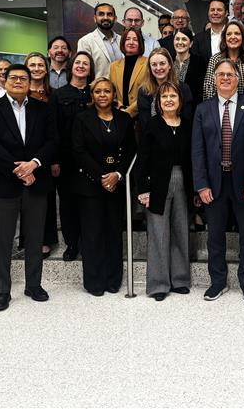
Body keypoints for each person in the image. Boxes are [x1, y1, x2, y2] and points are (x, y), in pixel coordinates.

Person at [0, 64, 58, 312]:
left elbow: (53, 141)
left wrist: (33, 164)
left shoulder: (43, 110)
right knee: (2, 241)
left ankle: (34, 285)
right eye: (13, 78)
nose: (18, 82)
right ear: (4, 81)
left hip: (36, 181)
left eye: (23, 78)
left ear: (30, 82)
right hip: (4, 183)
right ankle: (3, 290)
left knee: (34, 238)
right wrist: (18, 170)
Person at [192, 58, 244, 302]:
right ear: (214, 79)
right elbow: (197, 150)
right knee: (215, 236)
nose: (226, 78)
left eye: (230, 75)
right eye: (221, 75)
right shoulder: (203, 109)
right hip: (214, 182)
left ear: (237, 79)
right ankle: (217, 282)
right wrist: (201, 184)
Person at [72, 77, 136, 295]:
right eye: (98, 91)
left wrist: (117, 175)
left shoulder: (124, 118)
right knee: (92, 234)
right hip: (90, 185)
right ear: (93, 95)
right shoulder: (82, 119)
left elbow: (131, 150)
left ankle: (113, 279)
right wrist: (101, 176)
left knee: (113, 233)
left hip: (117, 185)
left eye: (106, 91)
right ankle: (94, 282)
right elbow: (78, 150)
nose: (102, 95)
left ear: (113, 94)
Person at [136, 82, 194, 301]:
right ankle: (159, 284)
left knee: (180, 230)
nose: (168, 100)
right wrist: (143, 189)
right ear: (158, 103)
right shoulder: (152, 124)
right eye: (164, 97)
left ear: (180, 101)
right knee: (158, 234)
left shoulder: (187, 124)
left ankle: (179, 279)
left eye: (173, 96)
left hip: (183, 181)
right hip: (157, 183)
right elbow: (142, 159)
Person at [48, 50, 94, 261]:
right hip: (66, 159)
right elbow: (53, 129)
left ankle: (88, 242)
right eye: (78, 63)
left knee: (88, 202)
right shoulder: (58, 95)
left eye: (86, 63)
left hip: (92, 159)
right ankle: (71, 244)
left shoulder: (95, 93)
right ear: (71, 66)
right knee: (67, 204)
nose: (81, 66)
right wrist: (54, 159)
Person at [24, 51, 55, 256]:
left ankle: (47, 239)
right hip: (25, 155)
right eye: (32, 65)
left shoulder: (53, 94)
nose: (36, 68)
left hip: (47, 152)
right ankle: (28, 239)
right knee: (27, 201)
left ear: (46, 68)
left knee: (48, 198)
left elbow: (56, 129)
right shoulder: (20, 93)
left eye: (40, 65)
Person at [137, 48, 193, 131]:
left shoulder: (183, 89)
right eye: (154, 64)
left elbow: (187, 119)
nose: (158, 68)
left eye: (162, 63)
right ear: (150, 67)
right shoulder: (144, 91)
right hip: (153, 137)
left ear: (170, 65)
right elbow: (145, 123)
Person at [202, 21, 244, 100]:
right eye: (229, 34)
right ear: (224, 38)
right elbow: (208, 89)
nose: (233, 37)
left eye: (237, 33)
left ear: (243, 37)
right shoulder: (215, 59)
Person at [108, 27, 149, 118]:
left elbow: (149, 91)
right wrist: (121, 108)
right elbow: (111, 92)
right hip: (119, 116)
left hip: (141, 116)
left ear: (140, 44)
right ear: (123, 43)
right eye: (127, 39)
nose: (131, 42)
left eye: (135, 40)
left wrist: (128, 112)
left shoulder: (148, 63)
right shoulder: (114, 66)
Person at [76, 2, 122, 78]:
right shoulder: (85, 41)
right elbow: (83, 71)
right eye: (101, 14)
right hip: (98, 88)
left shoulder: (122, 40)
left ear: (115, 19)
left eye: (109, 14)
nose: (106, 18)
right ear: (95, 18)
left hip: (121, 89)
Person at [171, 27, 206, 106]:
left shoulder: (199, 62)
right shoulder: (168, 61)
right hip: (170, 107)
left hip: (192, 109)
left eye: (184, 39)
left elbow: (200, 91)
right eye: (177, 39)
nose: (180, 42)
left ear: (191, 44)